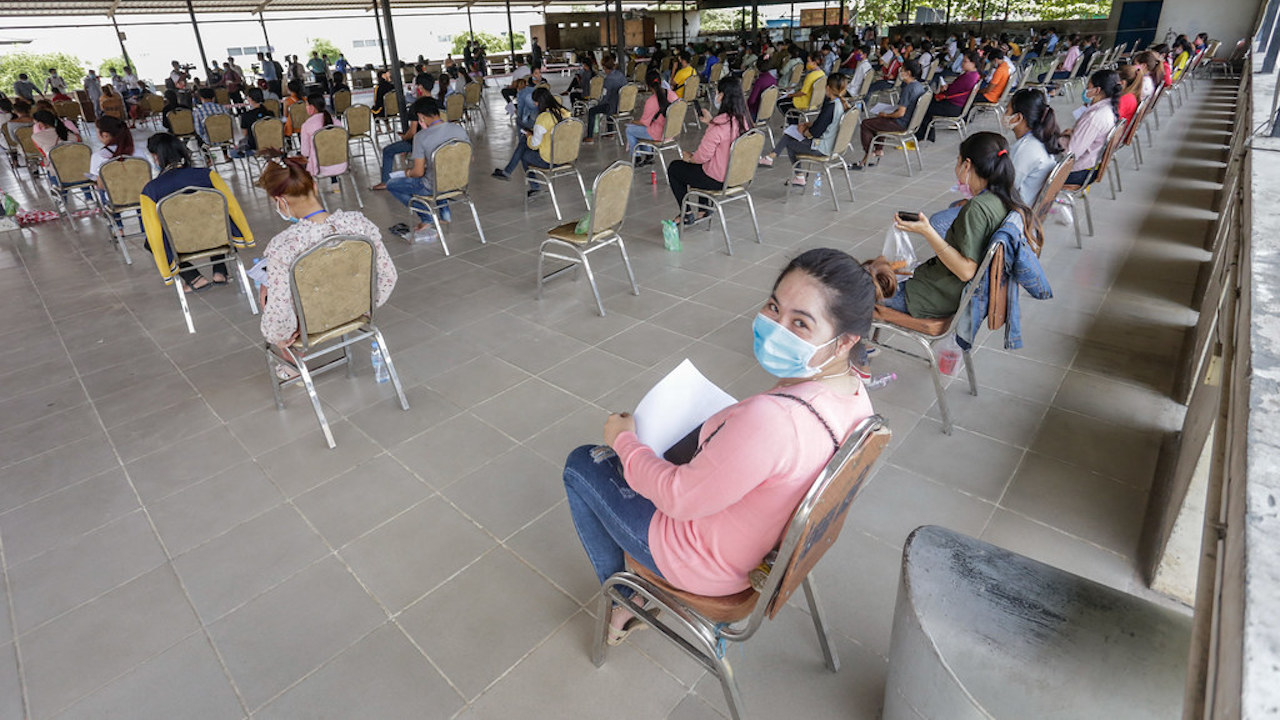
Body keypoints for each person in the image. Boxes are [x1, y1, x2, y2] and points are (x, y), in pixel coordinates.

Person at [563, 247, 877, 643]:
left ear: (844, 341)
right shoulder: (855, 396)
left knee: (583, 464)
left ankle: (626, 598)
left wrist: (623, 441)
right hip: (759, 543)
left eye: (800, 323)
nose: (776, 327)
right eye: (773, 307)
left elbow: (678, 498)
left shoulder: (775, 419)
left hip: (703, 561)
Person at [883, 132, 1035, 318]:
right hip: (946, 290)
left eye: (958, 161)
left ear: (967, 165)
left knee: (854, 291)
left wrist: (927, 231)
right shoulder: (1006, 198)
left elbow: (966, 271)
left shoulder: (976, 209)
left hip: (935, 298)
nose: (956, 166)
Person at [256, 154, 397, 354]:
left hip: (308, 323)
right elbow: (388, 275)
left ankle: (291, 364)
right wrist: (367, 307)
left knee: (266, 288)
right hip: (355, 309)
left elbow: (279, 309)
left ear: (280, 201)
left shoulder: (283, 247)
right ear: (314, 186)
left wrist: (278, 335)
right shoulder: (359, 224)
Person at [138, 133, 252, 293]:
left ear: (156, 157)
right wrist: (245, 234)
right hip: (215, 237)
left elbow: (153, 232)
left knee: (149, 241)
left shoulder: (150, 190)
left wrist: (166, 270)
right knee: (217, 219)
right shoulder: (207, 175)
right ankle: (220, 271)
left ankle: (194, 278)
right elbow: (231, 207)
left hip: (179, 244)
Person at [666, 75, 753, 224]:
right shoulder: (743, 121)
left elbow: (701, 157)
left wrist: (689, 157)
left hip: (718, 180)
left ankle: (686, 213)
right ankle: (704, 209)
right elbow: (725, 135)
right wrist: (711, 122)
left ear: (723, 96)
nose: (716, 96)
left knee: (675, 168)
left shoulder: (718, 127)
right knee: (704, 166)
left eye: (718, 93)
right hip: (737, 176)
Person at [383, 96, 469, 241]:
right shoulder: (458, 130)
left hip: (432, 187)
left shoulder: (421, 137)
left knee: (391, 184)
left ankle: (426, 217)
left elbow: (418, 172)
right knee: (437, 175)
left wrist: (406, 172)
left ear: (420, 117)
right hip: (458, 183)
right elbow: (469, 157)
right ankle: (444, 216)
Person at [758, 74, 849, 187]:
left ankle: (796, 173)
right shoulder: (839, 104)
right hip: (832, 144)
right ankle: (772, 158)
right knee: (790, 134)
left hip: (822, 147)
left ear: (828, 88)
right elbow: (826, 125)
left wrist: (804, 131)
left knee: (789, 141)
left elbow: (814, 133)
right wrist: (808, 125)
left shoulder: (830, 107)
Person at [491, 88, 570, 194]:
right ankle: (508, 172)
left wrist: (529, 136)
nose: (535, 105)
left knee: (523, 152)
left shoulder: (543, 118)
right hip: (566, 156)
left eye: (536, 102)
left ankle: (534, 186)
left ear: (540, 102)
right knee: (525, 141)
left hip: (550, 160)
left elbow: (534, 145)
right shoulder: (565, 113)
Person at [854, 59, 924, 168]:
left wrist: (886, 115)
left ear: (908, 73)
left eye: (902, 69)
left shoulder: (908, 88)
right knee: (878, 121)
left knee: (866, 123)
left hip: (901, 123)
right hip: (911, 122)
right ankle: (878, 150)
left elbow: (900, 113)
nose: (900, 71)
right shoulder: (919, 86)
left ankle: (869, 153)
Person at [1062, 69, 1121, 186]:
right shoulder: (1109, 108)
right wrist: (1074, 134)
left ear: (1097, 90)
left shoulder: (1094, 117)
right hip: (1091, 165)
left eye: (1088, 86)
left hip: (1077, 172)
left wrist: (1059, 141)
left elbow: (1070, 154)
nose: (1085, 90)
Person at [1004, 89, 1061, 207]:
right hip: (1030, 204)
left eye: (1007, 110)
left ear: (1018, 117)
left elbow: (1006, 188)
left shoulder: (1025, 149)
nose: (1004, 114)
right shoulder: (1041, 139)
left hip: (1017, 210)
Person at [916, 50, 981, 142]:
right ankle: (927, 133)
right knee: (927, 99)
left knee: (923, 105)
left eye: (965, 61)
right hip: (958, 104)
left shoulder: (968, 77)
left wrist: (945, 88)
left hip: (953, 106)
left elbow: (950, 92)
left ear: (973, 63)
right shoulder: (974, 75)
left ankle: (922, 134)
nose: (962, 63)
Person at [626, 69, 679, 159]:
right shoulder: (673, 95)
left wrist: (633, 122)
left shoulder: (651, 101)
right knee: (645, 129)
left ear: (648, 86)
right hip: (672, 132)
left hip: (659, 134)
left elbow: (644, 123)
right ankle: (648, 155)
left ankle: (637, 157)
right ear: (661, 82)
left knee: (629, 130)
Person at [299, 92, 345, 192]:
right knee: (330, 150)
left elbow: (305, 152)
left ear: (312, 107)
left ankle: (310, 190)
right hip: (341, 164)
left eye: (306, 105)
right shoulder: (336, 122)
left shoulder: (307, 125)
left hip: (320, 168)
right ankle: (334, 182)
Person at [89, 115, 154, 182]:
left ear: (105, 135)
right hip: (141, 191)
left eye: (97, 132)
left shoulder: (98, 156)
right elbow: (147, 176)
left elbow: (101, 185)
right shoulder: (139, 152)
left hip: (114, 192)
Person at [584, 56, 627, 143]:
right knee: (611, 102)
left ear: (604, 67)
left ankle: (590, 137)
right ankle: (610, 131)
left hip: (613, 107)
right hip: (623, 106)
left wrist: (598, 103)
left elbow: (604, 97)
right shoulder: (621, 75)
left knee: (592, 110)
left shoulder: (608, 80)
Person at [777, 51, 825, 122]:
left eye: (809, 61)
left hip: (804, 102)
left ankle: (792, 123)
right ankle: (795, 120)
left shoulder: (811, 76)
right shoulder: (823, 74)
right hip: (814, 103)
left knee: (780, 103)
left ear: (814, 63)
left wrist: (791, 95)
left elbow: (803, 92)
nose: (807, 63)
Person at [230, 88, 274, 159]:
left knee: (232, 153)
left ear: (250, 99)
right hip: (271, 144)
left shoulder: (246, 116)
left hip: (255, 146)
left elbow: (245, 134)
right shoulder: (270, 113)